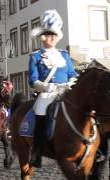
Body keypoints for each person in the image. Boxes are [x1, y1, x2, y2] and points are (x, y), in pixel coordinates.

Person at [28, 9, 77, 168]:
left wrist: (70, 83)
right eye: (48, 35)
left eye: (54, 35)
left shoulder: (64, 55)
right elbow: (32, 79)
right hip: (47, 94)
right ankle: (36, 152)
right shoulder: (36, 56)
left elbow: (72, 73)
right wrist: (45, 86)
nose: (51, 38)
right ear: (43, 36)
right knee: (40, 111)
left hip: (65, 92)